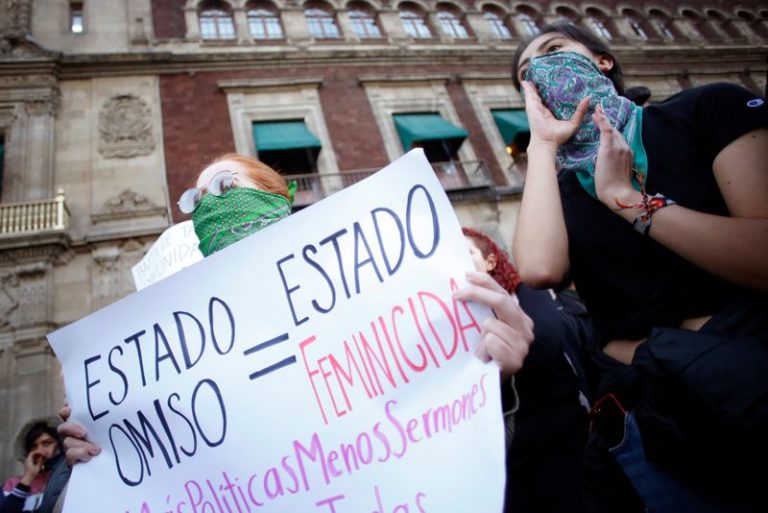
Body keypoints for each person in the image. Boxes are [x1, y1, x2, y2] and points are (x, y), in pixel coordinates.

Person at [54, 153, 536, 501]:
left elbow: (453, 453)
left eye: (223, 188)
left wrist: (496, 381)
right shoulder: (187, 356)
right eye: (194, 200)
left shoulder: (370, 295)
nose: (207, 206)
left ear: (276, 196)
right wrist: (100, 462)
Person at [511, 21, 767, 513]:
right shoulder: (560, 190)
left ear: (602, 60)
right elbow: (540, 269)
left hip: (753, 369)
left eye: (554, 49)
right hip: (658, 416)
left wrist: (629, 202)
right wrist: (542, 146)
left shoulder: (706, 109)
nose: (540, 69)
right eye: (525, 74)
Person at [463, 227, 591, 513]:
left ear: (489, 261)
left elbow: (546, 342)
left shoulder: (525, 292)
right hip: (506, 474)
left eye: (465, 253)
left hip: (564, 451)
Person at [1, 419, 64, 513]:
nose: (40, 451)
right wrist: (29, 477)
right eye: (34, 447)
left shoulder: (67, 478)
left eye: (46, 444)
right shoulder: (12, 485)